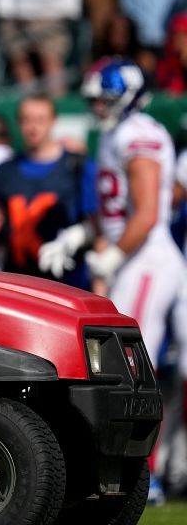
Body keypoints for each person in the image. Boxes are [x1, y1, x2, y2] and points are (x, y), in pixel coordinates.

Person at [42, 59, 184, 360]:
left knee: (132, 361)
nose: (98, 107)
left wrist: (112, 256)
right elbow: (114, 213)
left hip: (148, 259)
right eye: (94, 100)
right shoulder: (113, 134)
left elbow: (146, 215)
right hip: (130, 256)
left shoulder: (139, 133)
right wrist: (75, 236)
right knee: (116, 360)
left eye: (104, 100)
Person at [0, 95, 97, 285]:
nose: (33, 127)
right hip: (18, 282)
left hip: (68, 283)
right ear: (18, 123)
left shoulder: (77, 166)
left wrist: (75, 239)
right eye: (27, 120)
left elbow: (98, 225)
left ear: (53, 121)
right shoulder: (4, 170)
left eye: (40, 120)